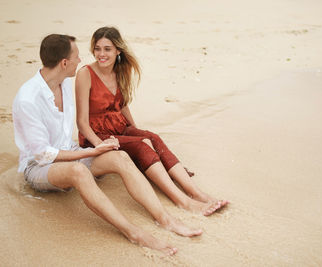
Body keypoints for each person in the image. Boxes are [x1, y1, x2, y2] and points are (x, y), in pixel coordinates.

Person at [12, 34, 205, 256]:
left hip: (70, 151)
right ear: (64, 63)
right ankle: (133, 232)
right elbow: (43, 154)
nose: (81, 59)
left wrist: (98, 148)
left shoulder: (64, 83)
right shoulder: (28, 99)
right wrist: (92, 150)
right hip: (38, 167)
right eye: (76, 56)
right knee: (78, 171)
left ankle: (165, 219)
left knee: (120, 156)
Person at [75, 26, 228, 216]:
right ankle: (183, 201)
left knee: (151, 138)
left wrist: (136, 131)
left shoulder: (120, 70)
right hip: (96, 135)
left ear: (118, 51)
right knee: (141, 145)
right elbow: (81, 122)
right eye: (97, 48)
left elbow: (121, 105)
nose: (101, 54)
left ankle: (196, 193)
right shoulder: (85, 74)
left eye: (107, 49)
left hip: (119, 127)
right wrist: (99, 145)